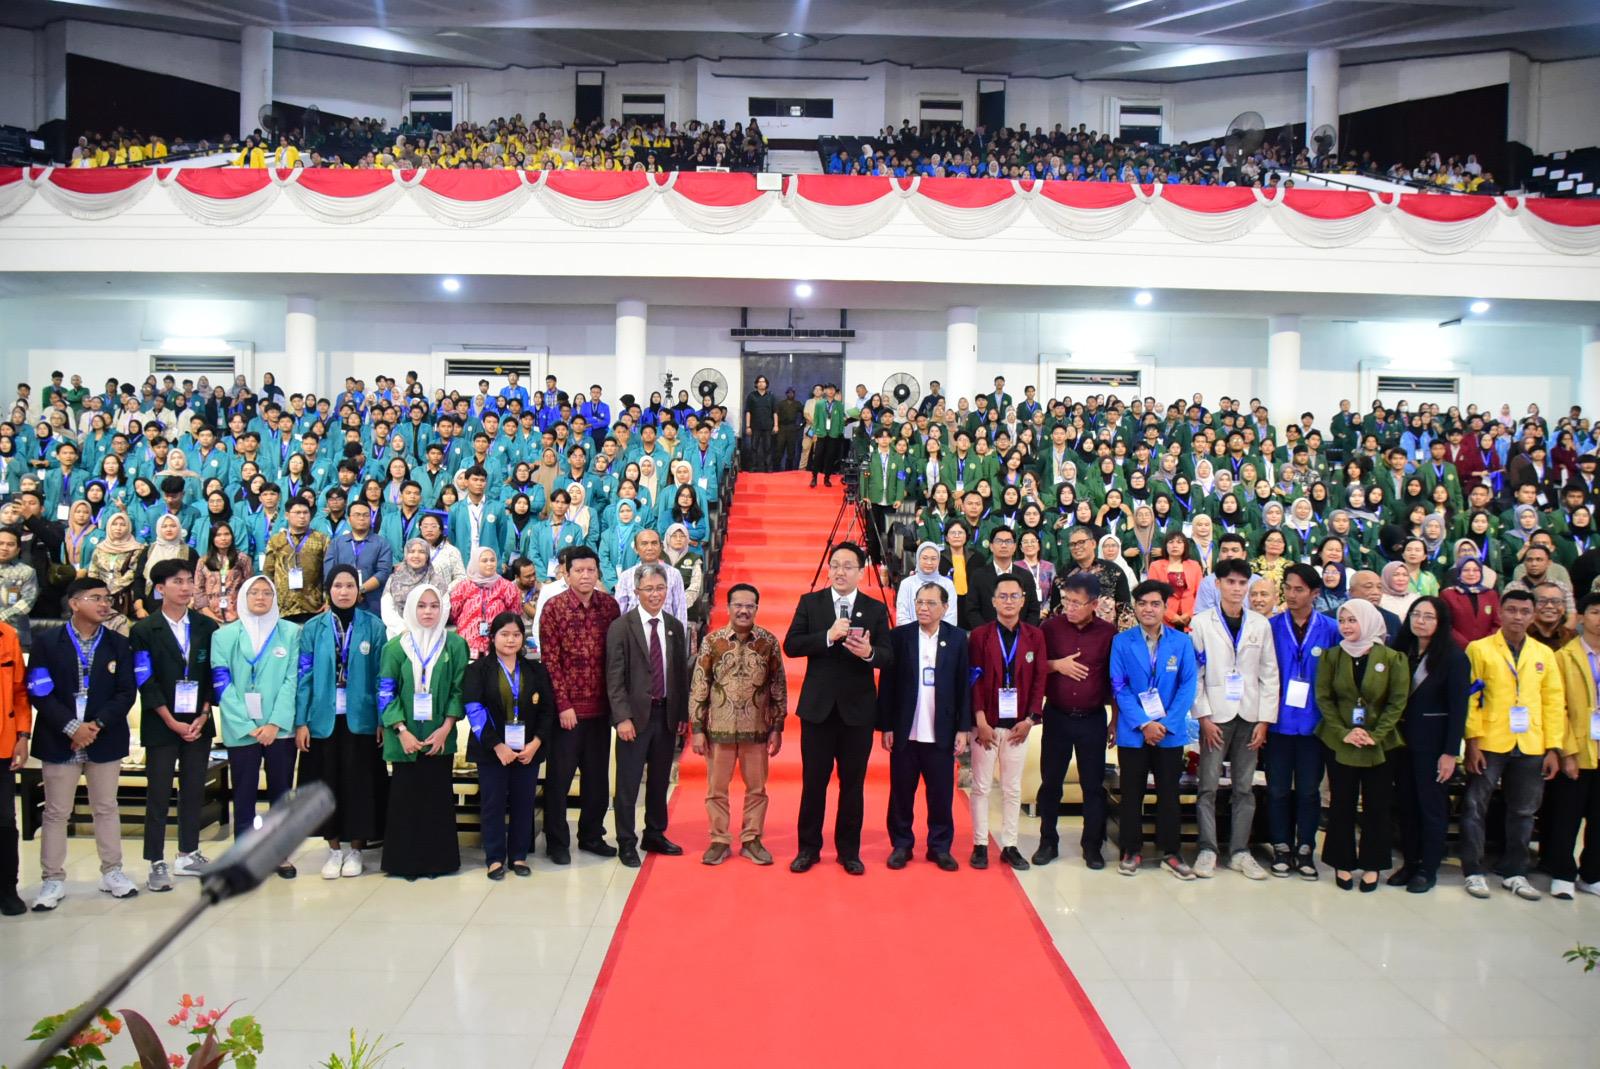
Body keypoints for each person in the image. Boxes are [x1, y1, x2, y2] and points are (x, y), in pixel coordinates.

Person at [27, 577, 139, 910]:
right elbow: (39, 690)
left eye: (107, 599)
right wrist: (72, 727)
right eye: (96, 598)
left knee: (106, 807)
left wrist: (95, 726)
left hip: (105, 736)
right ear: (74, 603)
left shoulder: (119, 643)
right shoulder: (47, 641)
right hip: (59, 736)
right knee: (56, 811)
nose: (105, 604)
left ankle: (112, 871)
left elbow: (126, 692)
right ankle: (52, 879)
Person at [784, 541, 891, 876]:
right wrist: (827, 636)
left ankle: (849, 851)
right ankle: (808, 849)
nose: (840, 572)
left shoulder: (874, 609)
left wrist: (869, 653)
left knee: (853, 785)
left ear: (861, 572)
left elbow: (889, 656)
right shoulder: (811, 602)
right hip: (817, 710)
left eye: (848, 566)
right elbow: (791, 645)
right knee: (813, 783)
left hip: (857, 712)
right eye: (835, 565)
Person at [1461, 588, 1565, 901]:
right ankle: (1473, 869)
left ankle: (1515, 871)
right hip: (1490, 740)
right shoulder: (1479, 649)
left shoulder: (1544, 654)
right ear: (1500, 612)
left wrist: (1553, 747)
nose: (1518, 617)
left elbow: (1553, 701)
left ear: (1533, 616)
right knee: (1475, 806)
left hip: (1532, 742)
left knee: (1524, 811)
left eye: (1524, 611)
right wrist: (1473, 741)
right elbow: (1471, 697)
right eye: (1512, 610)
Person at [294, 564, 389, 880]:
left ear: (358, 591)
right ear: (328, 590)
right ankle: (334, 849)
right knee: (326, 784)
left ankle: (357, 849)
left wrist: (381, 718)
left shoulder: (374, 626)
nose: (344, 592)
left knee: (361, 785)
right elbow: (304, 676)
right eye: (338, 586)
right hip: (322, 720)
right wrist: (301, 721)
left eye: (350, 586)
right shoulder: (313, 628)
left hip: (362, 719)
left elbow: (382, 677)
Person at [130, 558, 218, 892]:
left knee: (194, 789)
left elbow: (213, 673)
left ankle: (188, 853)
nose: (185, 587)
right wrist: (169, 719)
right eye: (177, 582)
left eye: (188, 581)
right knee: (159, 792)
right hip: (161, 723)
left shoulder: (206, 626)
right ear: (160, 588)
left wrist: (204, 713)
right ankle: (156, 860)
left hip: (198, 721)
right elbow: (145, 679)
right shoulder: (144, 630)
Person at [1189, 558, 1279, 880]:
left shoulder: (1260, 624)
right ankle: (1207, 849)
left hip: (1250, 715)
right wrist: (1203, 717)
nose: (1237, 589)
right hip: (1215, 716)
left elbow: (1270, 673)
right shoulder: (1201, 623)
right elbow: (1196, 674)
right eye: (1231, 582)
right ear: (1218, 585)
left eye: (1243, 583)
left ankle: (1240, 851)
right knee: (1208, 787)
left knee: (1244, 788)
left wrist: (1264, 720)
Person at [1314, 600, 1409, 891]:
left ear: (1368, 621)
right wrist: (1344, 732)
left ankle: (1373, 864)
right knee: (1341, 802)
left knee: (1376, 804)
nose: (1346, 626)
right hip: (1340, 740)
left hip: (1380, 742)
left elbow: (1397, 701)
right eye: (1342, 620)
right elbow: (1324, 697)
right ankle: (1342, 861)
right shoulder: (1332, 656)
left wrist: (1376, 734)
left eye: (1352, 620)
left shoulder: (1392, 658)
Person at [689, 582, 787, 866]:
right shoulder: (712, 641)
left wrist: (777, 727)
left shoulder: (768, 642)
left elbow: (778, 686)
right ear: (728, 606)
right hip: (718, 729)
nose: (744, 610)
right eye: (738, 605)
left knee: (757, 789)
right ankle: (719, 840)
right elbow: (700, 685)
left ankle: (751, 839)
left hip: (756, 729)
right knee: (716, 789)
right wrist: (697, 729)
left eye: (749, 606)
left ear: (757, 608)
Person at [210, 574, 301, 878]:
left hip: (280, 729)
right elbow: (222, 683)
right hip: (242, 730)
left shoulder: (291, 633)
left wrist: (275, 723)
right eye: (254, 593)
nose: (260, 597)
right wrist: (247, 725)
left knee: (281, 793)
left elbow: (292, 680)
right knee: (244, 793)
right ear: (243, 598)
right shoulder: (224, 636)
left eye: (266, 593)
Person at [877, 581, 970, 871]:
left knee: (941, 794)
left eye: (931, 603)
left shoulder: (957, 638)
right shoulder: (900, 636)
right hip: (906, 730)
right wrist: (886, 726)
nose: (923, 608)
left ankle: (939, 847)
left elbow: (964, 686)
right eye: (919, 602)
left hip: (941, 731)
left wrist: (963, 728)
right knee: (901, 793)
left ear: (945, 607)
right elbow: (887, 684)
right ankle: (901, 844)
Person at [1109, 579, 1199, 878]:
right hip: (1134, 732)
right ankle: (1131, 850)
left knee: (1169, 794)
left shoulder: (1181, 642)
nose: (1148, 609)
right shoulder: (1121, 642)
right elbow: (1119, 686)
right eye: (1142, 603)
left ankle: (1171, 852)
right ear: (1135, 607)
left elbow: (1188, 686)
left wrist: (1165, 724)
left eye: (1155, 604)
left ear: (1165, 607)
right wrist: (1145, 723)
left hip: (1169, 734)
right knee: (1131, 794)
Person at [378, 584, 467, 880]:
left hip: (438, 737)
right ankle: (405, 864)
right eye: (421, 605)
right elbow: (386, 692)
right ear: (410, 609)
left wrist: (446, 728)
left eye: (434, 606)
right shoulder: (394, 648)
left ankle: (438, 863)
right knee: (405, 800)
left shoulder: (455, 645)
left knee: (436, 800)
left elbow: (459, 690)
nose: (428, 612)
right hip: (405, 739)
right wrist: (401, 730)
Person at [539, 546, 621, 864]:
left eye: (591, 570)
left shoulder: (610, 607)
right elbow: (550, 662)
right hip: (567, 713)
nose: (585, 576)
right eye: (579, 570)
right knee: (559, 780)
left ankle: (591, 836)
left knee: (597, 780)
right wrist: (563, 704)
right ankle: (557, 842)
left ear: (598, 572)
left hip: (601, 711)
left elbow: (616, 659)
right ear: (566, 573)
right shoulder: (554, 608)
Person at [604, 562, 689, 868]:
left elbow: (679, 673)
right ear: (637, 591)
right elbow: (614, 677)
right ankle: (626, 841)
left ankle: (654, 833)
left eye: (660, 588)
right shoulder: (621, 626)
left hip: (665, 715)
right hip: (634, 718)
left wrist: (681, 713)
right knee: (628, 784)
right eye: (649, 589)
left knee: (659, 780)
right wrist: (621, 718)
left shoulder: (674, 626)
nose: (655, 594)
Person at [463, 612, 556, 879]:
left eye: (516, 635)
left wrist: (536, 743)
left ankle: (518, 856)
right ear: (493, 638)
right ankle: (494, 858)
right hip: (491, 750)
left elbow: (547, 710)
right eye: (504, 634)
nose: (511, 640)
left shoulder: (536, 670)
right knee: (492, 804)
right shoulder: (478, 670)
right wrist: (498, 746)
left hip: (528, 750)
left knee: (523, 804)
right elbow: (474, 709)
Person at [1033, 571, 1117, 867]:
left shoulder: (1108, 633)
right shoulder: (1050, 628)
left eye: (1076, 603)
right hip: (1057, 716)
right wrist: (1057, 665)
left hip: (1092, 720)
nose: (1069, 607)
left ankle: (1092, 846)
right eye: (1066, 601)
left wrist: (1115, 720)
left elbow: (1116, 679)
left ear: (1094, 604)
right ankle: (1048, 841)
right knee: (1050, 783)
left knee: (1092, 786)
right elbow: (1033, 665)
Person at [1265, 563, 1341, 880]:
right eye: (1288, 588)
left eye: (1299, 589)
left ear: (1315, 593)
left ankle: (1306, 847)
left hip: (1315, 724)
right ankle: (1281, 846)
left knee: (1309, 790)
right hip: (1278, 722)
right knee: (1277, 789)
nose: (1292, 594)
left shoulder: (1331, 629)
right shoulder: (1271, 626)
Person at [966, 573, 1046, 870]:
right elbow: (973, 678)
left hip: (1017, 727)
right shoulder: (980, 635)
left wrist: (1031, 719)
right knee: (981, 787)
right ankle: (980, 844)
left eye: (1014, 596)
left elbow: (1039, 679)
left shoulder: (1035, 636)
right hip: (985, 725)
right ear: (993, 601)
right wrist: (979, 719)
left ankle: (1010, 845)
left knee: (1012, 789)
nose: (1009, 601)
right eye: (1003, 596)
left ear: (1023, 600)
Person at [1390, 596, 1469, 893]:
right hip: (1401, 743)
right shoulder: (1401, 651)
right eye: (1416, 615)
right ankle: (1410, 863)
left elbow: (1459, 709)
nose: (1420, 621)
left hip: (1434, 746)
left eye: (1428, 617)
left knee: (1431, 808)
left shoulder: (1453, 657)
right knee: (1406, 806)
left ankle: (1428, 868)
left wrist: (1450, 753)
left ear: (1441, 622)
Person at [1549, 592, 1600, 899]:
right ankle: (1562, 873)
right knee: (1567, 815)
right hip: (1577, 748)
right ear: (1580, 617)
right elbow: (1559, 708)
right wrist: (1566, 751)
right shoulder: (1564, 657)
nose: (1599, 619)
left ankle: (1591, 874)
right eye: (1594, 612)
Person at [320, 499, 393, 615]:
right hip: (341, 598)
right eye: (357, 515)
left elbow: (383, 573)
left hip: (371, 603)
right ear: (349, 519)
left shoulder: (382, 543)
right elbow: (329, 572)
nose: (361, 518)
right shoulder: (337, 543)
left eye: (366, 515)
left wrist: (360, 589)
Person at [263, 499, 328, 623]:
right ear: (287, 515)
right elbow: (268, 572)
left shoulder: (322, 539)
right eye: (297, 513)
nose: (302, 516)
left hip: (314, 606)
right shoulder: (276, 540)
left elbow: (328, 572)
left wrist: (328, 601)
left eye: (305, 512)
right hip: (283, 607)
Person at [450, 547, 521, 660]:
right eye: (484, 561)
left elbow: (514, 614)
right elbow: (454, 613)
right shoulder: (464, 586)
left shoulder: (507, 587)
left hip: (497, 646)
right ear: (475, 562)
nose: (489, 564)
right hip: (468, 645)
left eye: (492, 560)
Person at [0, 613, 26, 916]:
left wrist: (22, 735)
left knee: (5, 822)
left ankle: (7, 889)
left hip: (4, 746)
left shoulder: (7, 635)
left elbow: (20, 692)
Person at [964, 527, 1040, 629]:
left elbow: (1033, 610)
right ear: (991, 546)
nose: (1004, 545)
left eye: (1008, 541)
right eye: (999, 541)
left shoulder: (1026, 576)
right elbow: (972, 610)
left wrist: (1023, 632)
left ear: (1014, 547)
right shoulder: (978, 576)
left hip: (1021, 634)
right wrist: (986, 633)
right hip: (987, 634)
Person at [897, 541, 957, 625]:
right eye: (925, 558)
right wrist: (920, 631)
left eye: (933, 559)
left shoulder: (947, 584)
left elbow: (951, 617)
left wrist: (934, 631)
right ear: (918, 559)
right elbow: (902, 617)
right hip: (911, 632)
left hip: (942, 633)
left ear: (939, 560)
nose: (929, 562)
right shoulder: (906, 584)